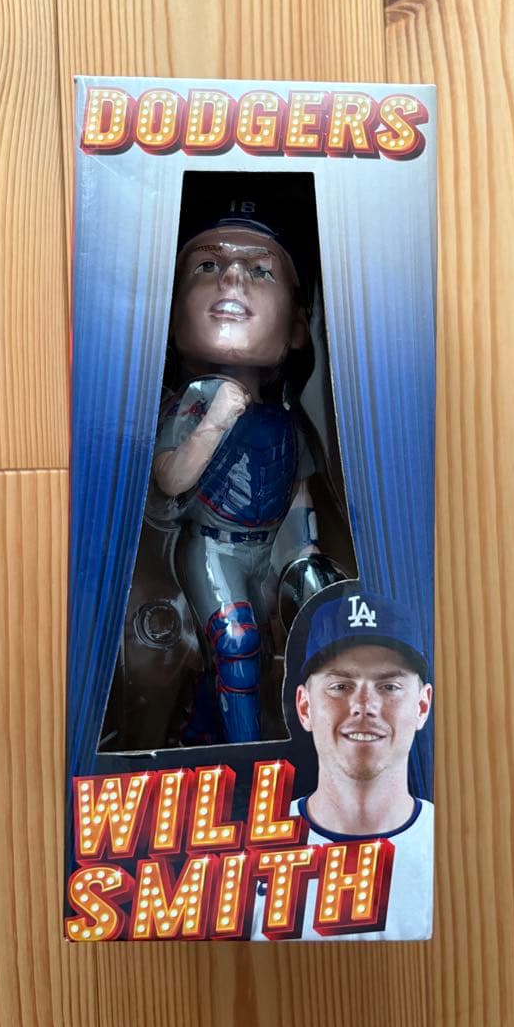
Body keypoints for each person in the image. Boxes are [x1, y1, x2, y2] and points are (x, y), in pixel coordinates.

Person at [151, 201, 326, 744]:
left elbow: (298, 494)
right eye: (207, 266)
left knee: (279, 646)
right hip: (211, 547)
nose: (231, 277)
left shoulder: (287, 422)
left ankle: (204, 726)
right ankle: (245, 754)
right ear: (171, 314)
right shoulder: (194, 403)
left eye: (260, 270)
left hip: (265, 551)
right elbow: (170, 480)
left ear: (297, 327)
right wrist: (216, 419)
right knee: (235, 640)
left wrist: (306, 557)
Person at [252, 581, 434, 940]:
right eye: (340, 686)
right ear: (305, 706)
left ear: (422, 705)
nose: (364, 705)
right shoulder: (247, 861)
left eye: (389, 686)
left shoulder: (458, 852)